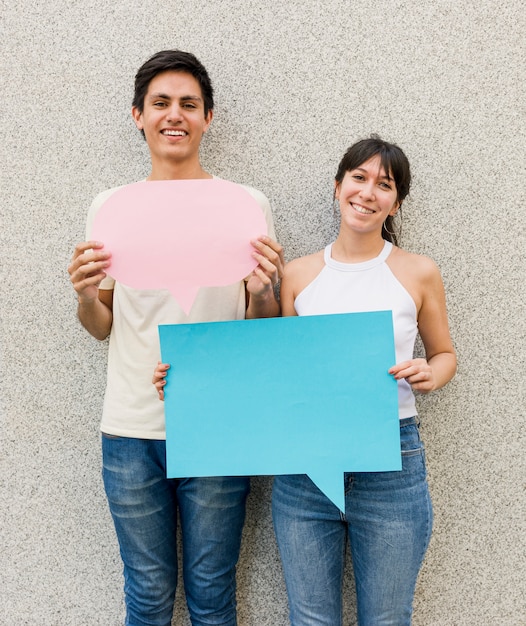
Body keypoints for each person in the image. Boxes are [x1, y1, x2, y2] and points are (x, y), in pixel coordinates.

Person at [68, 50, 283, 626]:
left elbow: (263, 330)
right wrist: (88, 296)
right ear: (137, 115)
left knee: (213, 596)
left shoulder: (246, 204)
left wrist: (265, 292)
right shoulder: (111, 207)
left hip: (219, 426)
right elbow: (101, 327)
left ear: (208, 118)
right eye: (161, 103)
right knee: (146, 594)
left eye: (189, 104)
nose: (175, 115)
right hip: (130, 428)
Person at [271, 136, 457, 626]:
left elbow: (444, 355)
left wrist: (430, 375)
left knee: (388, 618)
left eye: (385, 184)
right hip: (305, 466)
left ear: (396, 201)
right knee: (310, 619)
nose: (368, 192)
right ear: (338, 188)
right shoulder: (296, 275)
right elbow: (280, 372)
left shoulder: (418, 272)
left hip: (392, 462)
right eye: (359, 178)